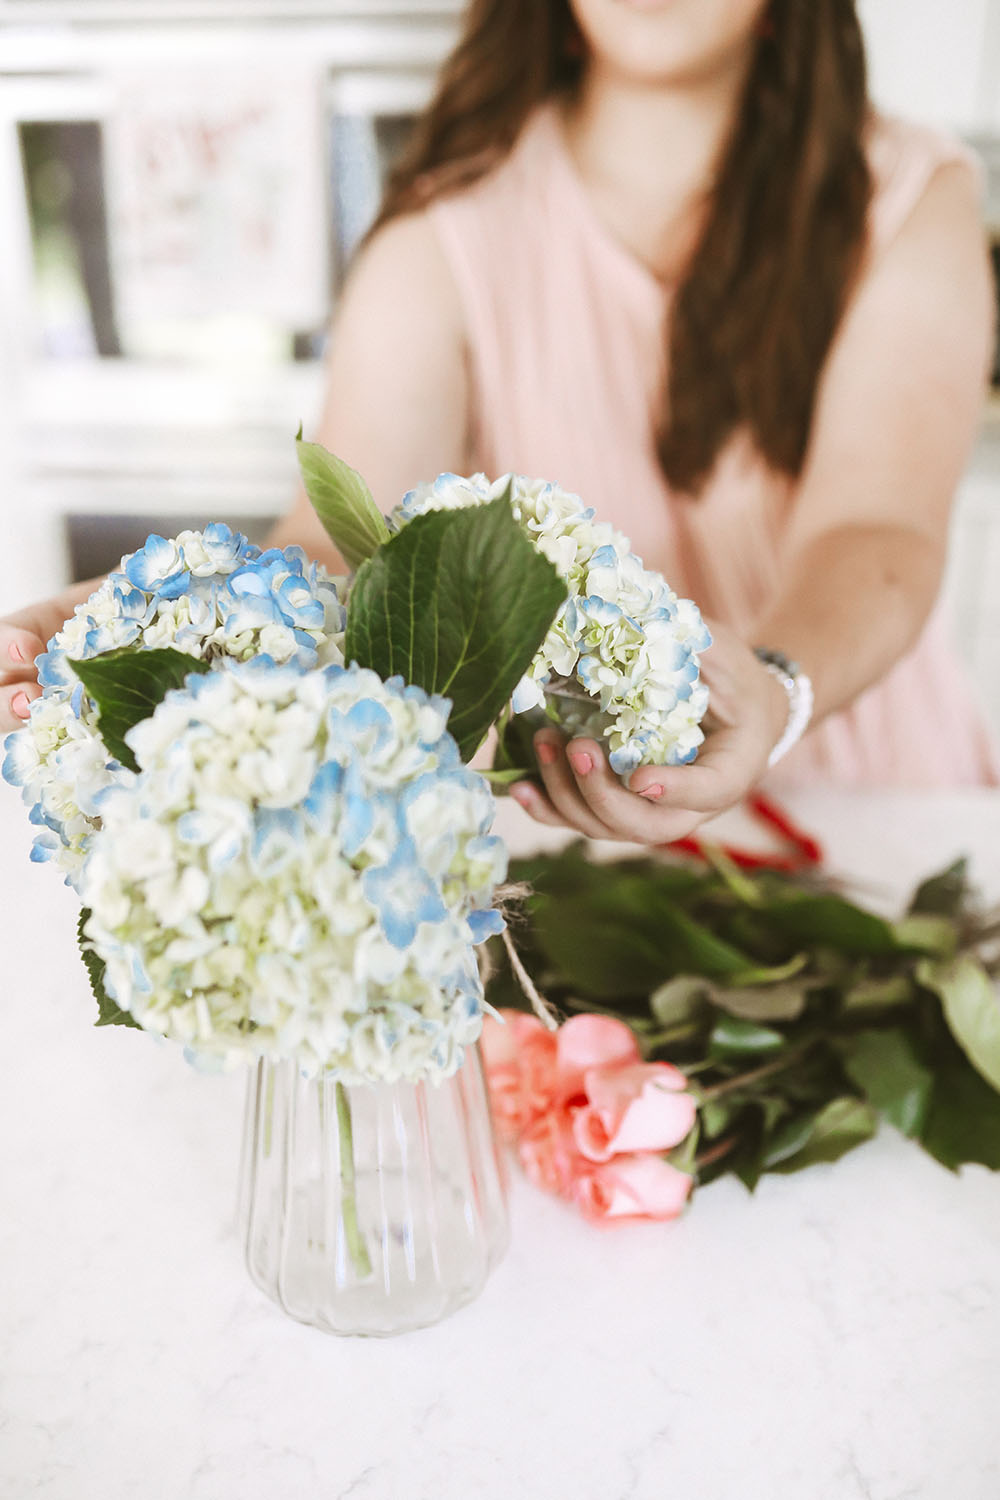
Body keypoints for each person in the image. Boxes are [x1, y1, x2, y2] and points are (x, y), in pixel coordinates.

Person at [1, 0, 996, 848]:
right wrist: (151, 616)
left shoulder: (912, 200)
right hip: (577, 830)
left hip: (880, 810)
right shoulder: (443, 235)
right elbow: (343, 553)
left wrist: (773, 691)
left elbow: (877, 531)